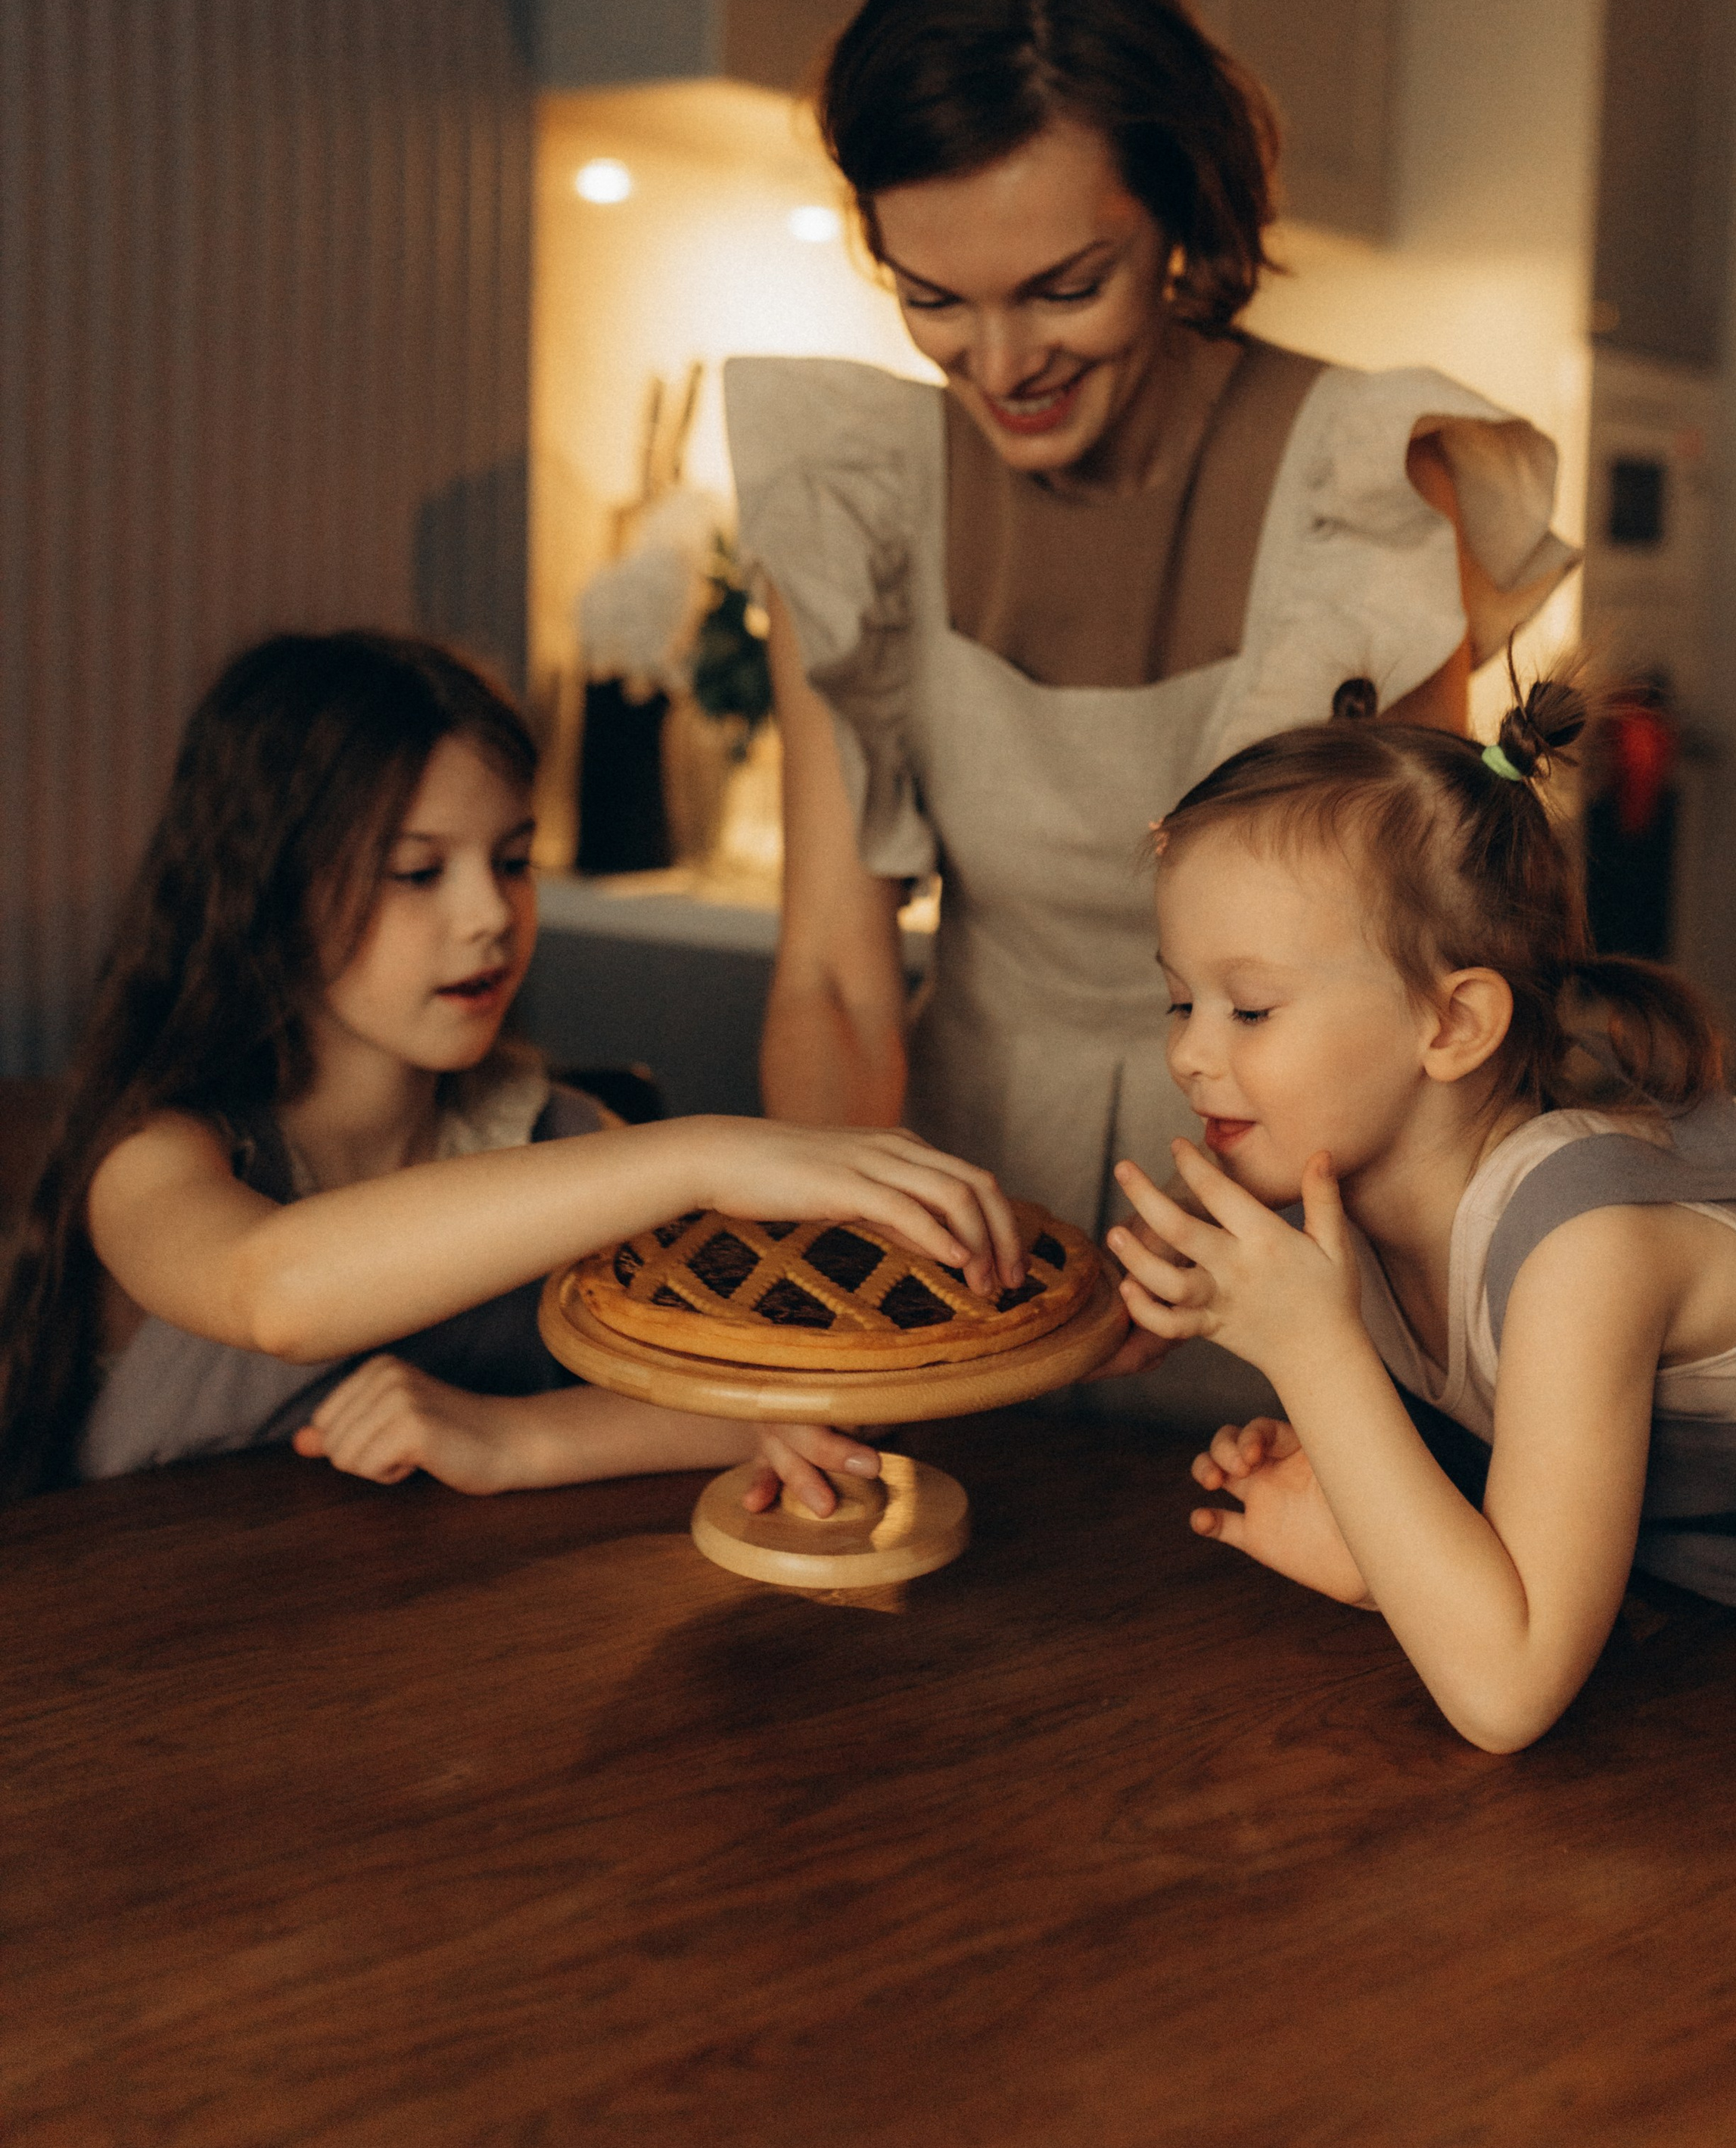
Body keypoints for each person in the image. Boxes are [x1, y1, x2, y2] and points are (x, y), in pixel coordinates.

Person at [726, 0, 1576, 1427]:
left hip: (1285, 1227)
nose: (997, 365)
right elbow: (836, 977)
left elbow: (1389, 991)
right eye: (932, 298)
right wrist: (832, 1316)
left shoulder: (1366, 491)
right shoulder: (855, 497)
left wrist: (1214, 1264)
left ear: (1176, 212)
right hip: (956, 1214)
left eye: (1064, 288)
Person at [0, 632, 1016, 1508]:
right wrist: (705, 1154)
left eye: (515, 859)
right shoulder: (158, 1153)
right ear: (267, 890)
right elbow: (277, 1293)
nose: (490, 915)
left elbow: (781, 1404)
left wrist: (515, 1440)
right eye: (419, 872)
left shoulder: (560, 1139)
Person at [1110, 680, 1736, 1752]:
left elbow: (1508, 1693)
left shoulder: (1583, 1252)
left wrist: (1311, 1351)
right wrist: (1380, 1550)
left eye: (1250, 1008)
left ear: (1453, 1024)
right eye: (1181, 1000)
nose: (1190, 1052)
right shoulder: (1337, 1177)